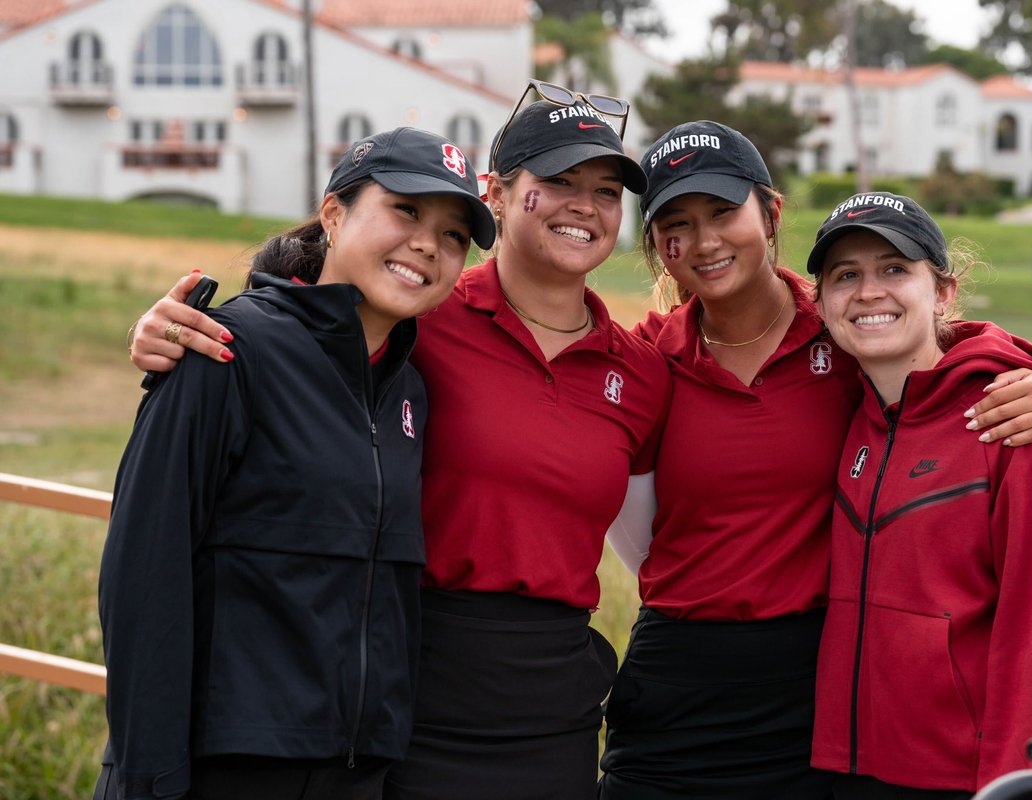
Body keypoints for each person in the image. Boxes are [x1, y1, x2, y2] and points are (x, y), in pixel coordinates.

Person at [126, 81, 671, 800]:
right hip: (409, 695)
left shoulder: (639, 371)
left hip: (552, 707)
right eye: (560, 181)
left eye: (606, 191)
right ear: (499, 194)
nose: (585, 205)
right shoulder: (424, 317)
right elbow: (309, 310)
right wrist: (169, 330)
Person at [598, 122, 1032, 799]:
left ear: (769, 214)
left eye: (721, 212)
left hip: (810, 692)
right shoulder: (645, 359)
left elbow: (935, 349)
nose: (704, 240)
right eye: (675, 223)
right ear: (655, 247)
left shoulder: (838, 336)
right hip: (678, 685)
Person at [97, 126, 495, 800]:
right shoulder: (225, 350)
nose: (429, 243)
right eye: (405, 210)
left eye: (454, 234)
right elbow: (143, 575)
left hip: (355, 772)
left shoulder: (410, 391)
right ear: (334, 214)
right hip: (219, 770)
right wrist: (150, 776)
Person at [806, 192, 1032, 798]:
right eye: (845, 275)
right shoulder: (846, 411)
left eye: (894, 269)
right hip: (843, 769)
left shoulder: (1012, 423)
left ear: (943, 293)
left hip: (961, 779)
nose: (868, 291)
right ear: (821, 302)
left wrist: (1022, 785)